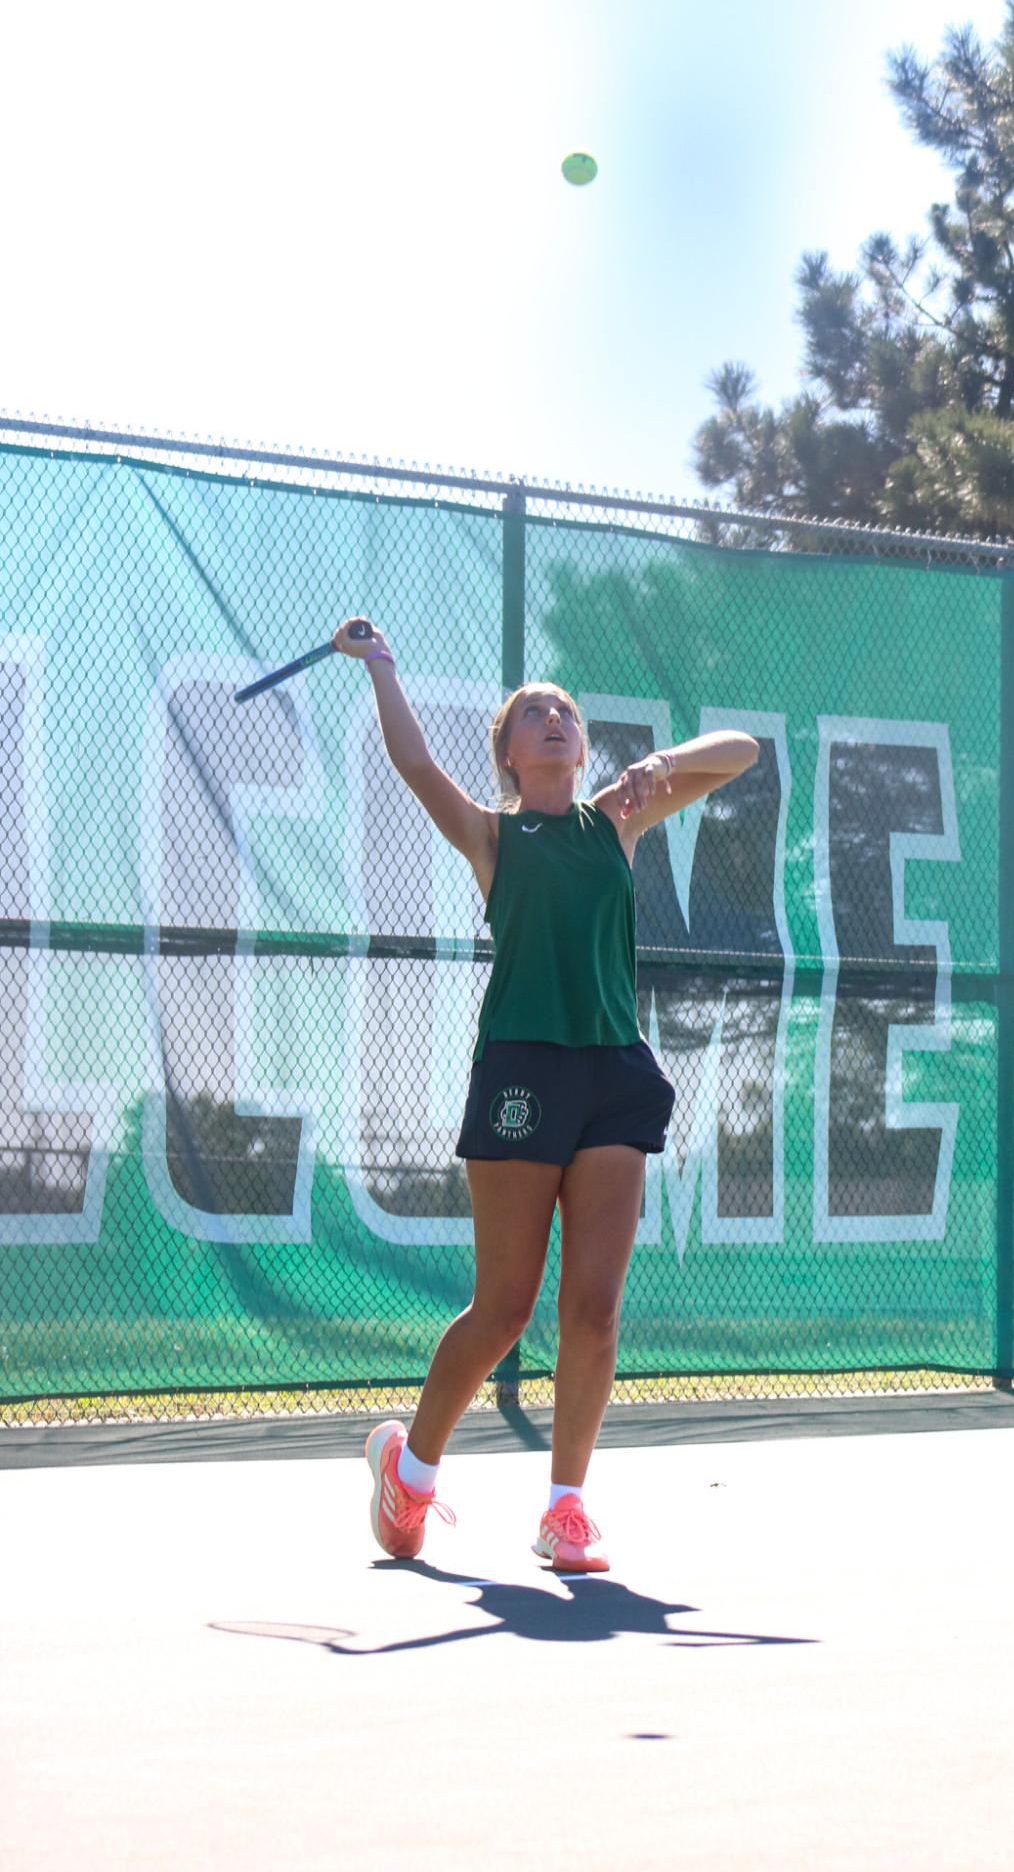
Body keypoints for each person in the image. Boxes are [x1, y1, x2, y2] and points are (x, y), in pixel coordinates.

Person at [335, 617, 759, 1572]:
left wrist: (662, 764)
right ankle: (411, 1469)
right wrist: (382, 664)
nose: (557, 717)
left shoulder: (619, 816)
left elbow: (743, 751)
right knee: (504, 1309)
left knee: (596, 1309)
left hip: (613, 1070)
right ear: (513, 755)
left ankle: (565, 1506)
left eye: (564, 708)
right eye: (535, 714)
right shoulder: (493, 835)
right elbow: (411, 762)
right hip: (523, 1072)